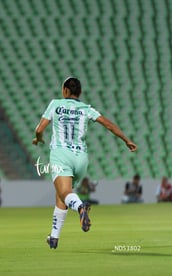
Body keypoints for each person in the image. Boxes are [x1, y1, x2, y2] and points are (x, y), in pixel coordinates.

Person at [33, 77, 137, 249]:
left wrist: (38, 139)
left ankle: (81, 207)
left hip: (61, 155)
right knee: (62, 194)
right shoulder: (86, 109)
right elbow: (109, 125)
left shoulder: (55, 104)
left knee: (65, 192)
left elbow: (39, 129)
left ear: (65, 91)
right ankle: (53, 238)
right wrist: (127, 140)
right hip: (81, 158)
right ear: (79, 92)